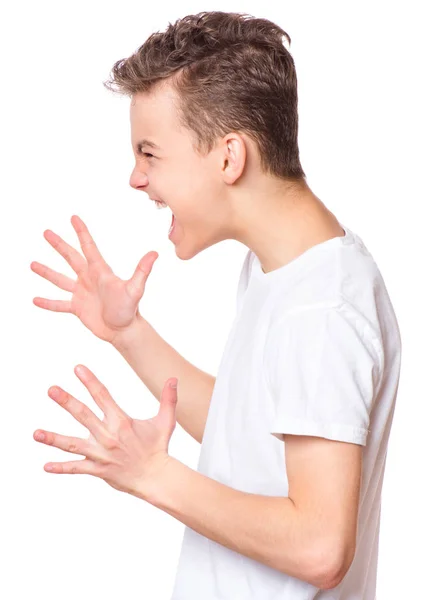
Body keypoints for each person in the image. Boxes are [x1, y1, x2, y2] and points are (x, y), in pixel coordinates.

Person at [30, 10, 402, 600]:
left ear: (229, 158)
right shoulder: (279, 269)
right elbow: (247, 429)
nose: (135, 178)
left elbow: (320, 547)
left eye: (150, 154)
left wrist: (153, 474)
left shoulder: (323, 310)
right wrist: (129, 334)